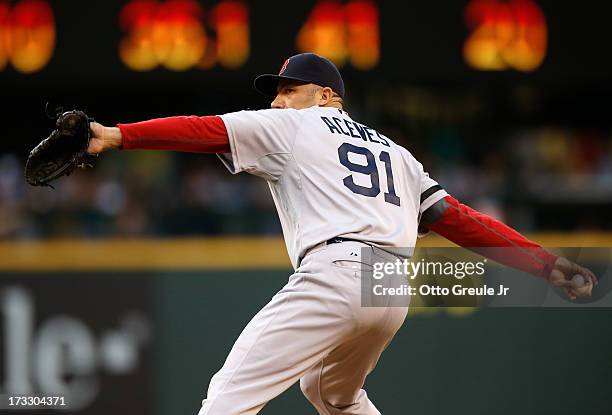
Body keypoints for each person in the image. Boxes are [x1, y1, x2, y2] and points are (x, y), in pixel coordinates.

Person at [86, 53, 597, 415]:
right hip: (390, 287)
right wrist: (546, 263)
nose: (280, 101)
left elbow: (205, 130)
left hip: (336, 273)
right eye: (278, 92)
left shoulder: (293, 126)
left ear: (326, 94)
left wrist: (115, 135)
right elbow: (461, 220)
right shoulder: (398, 153)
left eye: (290, 89)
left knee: (228, 397)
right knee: (333, 395)